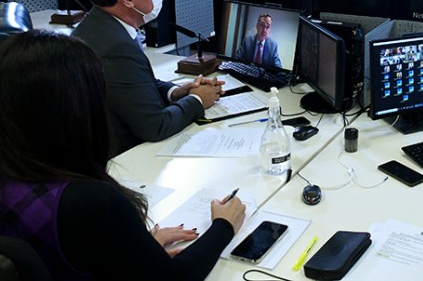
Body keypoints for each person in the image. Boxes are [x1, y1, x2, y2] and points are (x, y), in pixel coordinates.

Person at [0, 31, 246, 279]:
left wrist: (134, 248)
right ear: (78, 110)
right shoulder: (91, 203)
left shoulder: (17, 181)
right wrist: (224, 226)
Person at [73, 0, 224, 155]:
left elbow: (134, 84)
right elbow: (156, 126)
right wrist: (197, 100)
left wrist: (176, 92)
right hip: (122, 155)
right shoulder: (117, 48)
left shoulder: (96, 26)